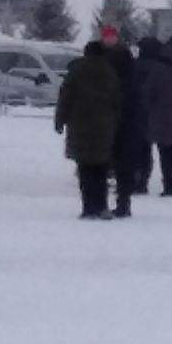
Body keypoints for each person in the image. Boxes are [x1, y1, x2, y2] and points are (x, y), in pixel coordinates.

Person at [54, 39, 122, 220]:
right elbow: (117, 101)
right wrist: (116, 122)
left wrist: (60, 121)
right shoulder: (110, 72)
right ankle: (102, 206)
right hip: (104, 126)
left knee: (85, 170)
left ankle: (88, 207)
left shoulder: (76, 71)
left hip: (80, 125)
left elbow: (65, 97)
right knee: (101, 169)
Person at [138, 35, 172, 196]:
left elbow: (148, 92)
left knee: (144, 149)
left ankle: (140, 182)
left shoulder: (157, 69)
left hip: (156, 114)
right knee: (170, 153)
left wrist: (142, 106)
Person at [101, 25, 148, 208]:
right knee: (125, 162)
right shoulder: (132, 74)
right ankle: (123, 201)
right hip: (129, 121)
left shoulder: (113, 75)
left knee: (114, 159)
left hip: (117, 120)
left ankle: (112, 201)